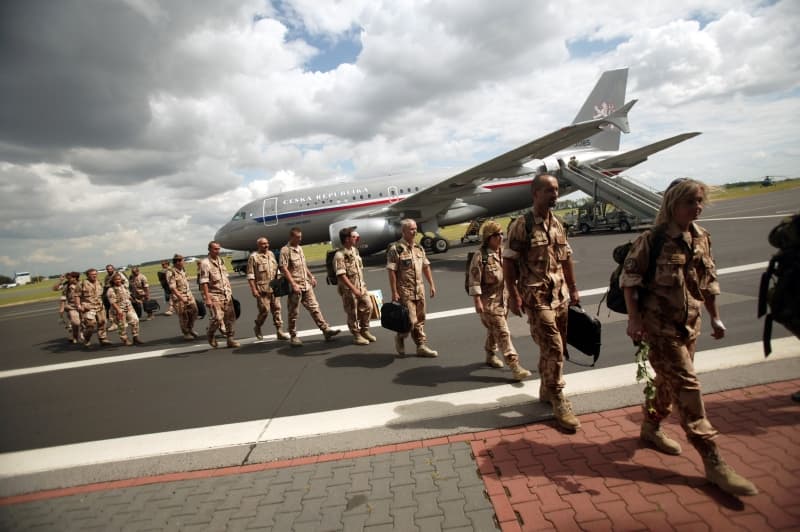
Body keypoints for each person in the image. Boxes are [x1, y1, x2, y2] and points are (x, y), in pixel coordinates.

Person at [620, 177, 757, 497]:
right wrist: (634, 319)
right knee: (688, 386)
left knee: (668, 385)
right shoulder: (652, 240)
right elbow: (630, 280)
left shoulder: (702, 238)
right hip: (660, 330)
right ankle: (714, 461)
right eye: (690, 202)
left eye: (700, 202)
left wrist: (716, 317)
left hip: (689, 327)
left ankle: (651, 426)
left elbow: (708, 283)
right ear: (673, 204)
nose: (697, 207)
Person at [503, 174, 581, 432]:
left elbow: (566, 257)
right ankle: (558, 397)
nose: (555, 194)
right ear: (535, 193)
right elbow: (509, 261)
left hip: (559, 295)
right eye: (549, 190)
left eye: (556, 190)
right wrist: (513, 294)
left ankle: (546, 388)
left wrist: (573, 288)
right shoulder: (521, 225)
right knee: (555, 348)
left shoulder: (557, 223)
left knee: (552, 347)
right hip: (535, 296)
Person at [468, 220, 531, 380]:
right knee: (503, 333)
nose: (500, 237)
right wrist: (477, 301)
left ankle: (490, 354)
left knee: (494, 330)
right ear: (488, 237)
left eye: (502, 233)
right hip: (489, 303)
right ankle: (515, 366)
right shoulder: (480, 256)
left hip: (503, 300)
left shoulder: (504, 253)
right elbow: (474, 281)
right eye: (496, 234)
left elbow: (513, 276)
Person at [279, 227, 340, 347]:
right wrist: (293, 284)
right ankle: (293, 336)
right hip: (295, 286)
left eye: (301, 237)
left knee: (315, 308)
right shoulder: (285, 250)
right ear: (291, 237)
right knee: (293, 312)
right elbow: (283, 268)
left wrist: (311, 276)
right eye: (298, 237)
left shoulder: (299, 248)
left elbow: (303, 265)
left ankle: (325, 330)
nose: (300, 239)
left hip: (306, 284)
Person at [386, 219, 438, 357]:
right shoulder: (396, 249)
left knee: (420, 319)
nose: (414, 231)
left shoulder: (419, 248)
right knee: (411, 321)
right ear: (403, 231)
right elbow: (391, 271)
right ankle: (400, 336)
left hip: (419, 290)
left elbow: (426, 266)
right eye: (411, 229)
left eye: (415, 228)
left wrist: (431, 284)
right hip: (405, 291)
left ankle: (421, 346)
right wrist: (394, 292)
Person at [334, 227, 375, 346]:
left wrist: (361, 286)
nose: (356, 238)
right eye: (353, 236)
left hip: (361, 287)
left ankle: (365, 330)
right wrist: (353, 289)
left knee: (369, 306)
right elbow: (341, 275)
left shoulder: (355, 251)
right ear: (347, 239)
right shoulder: (340, 255)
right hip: (349, 290)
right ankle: (356, 335)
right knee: (353, 313)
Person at [247, 237, 290, 341]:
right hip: (262, 289)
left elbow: (276, 270)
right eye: (263, 244)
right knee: (264, 311)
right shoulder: (254, 257)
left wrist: (279, 281)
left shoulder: (271, 254)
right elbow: (250, 275)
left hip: (274, 288)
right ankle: (258, 326)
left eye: (267, 243)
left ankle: (279, 331)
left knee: (277, 309)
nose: (266, 245)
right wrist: (254, 289)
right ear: (258, 245)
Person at [198, 241, 239, 348]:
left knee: (230, 318)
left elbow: (225, 277)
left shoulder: (221, 260)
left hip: (226, 293)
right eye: (215, 249)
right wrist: (207, 298)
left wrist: (230, 290)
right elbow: (204, 282)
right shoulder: (205, 263)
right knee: (217, 317)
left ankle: (230, 339)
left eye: (218, 249)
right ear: (209, 250)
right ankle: (210, 334)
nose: (217, 251)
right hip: (214, 294)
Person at [75, 268, 112, 348]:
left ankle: (103, 339)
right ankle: (86, 339)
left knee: (102, 322)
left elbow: (102, 294)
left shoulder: (99, 282)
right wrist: (78, 306)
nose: (94, 276)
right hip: (88, 307)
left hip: (99, 306)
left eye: (95, 274)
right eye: (92, 274)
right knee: (91, 325)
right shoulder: (81, 283)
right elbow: (77, 295)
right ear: (87, 275)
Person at [167, 254, 200, 341]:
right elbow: (173, 288)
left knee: (194, 312)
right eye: (183, 261)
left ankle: (190, 328)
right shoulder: (171, 272)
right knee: (183, 315)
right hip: (179, 298)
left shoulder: (182, 270)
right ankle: (186, 333)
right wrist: (181, 298)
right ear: (177, 262)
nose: (184, 262)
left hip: (189, 296)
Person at [106, 272, 143, 346]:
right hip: (119, 309)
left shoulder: (123, 286)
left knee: (135, 320)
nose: (118, 281)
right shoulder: (111, 290)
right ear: (113, 281)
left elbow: (127, 295)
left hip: (128, 307)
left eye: (119, 279)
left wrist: (135, 300)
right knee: (122, 325)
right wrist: (118, 310)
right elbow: (112, 302)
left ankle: (135, 337)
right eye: (116, 279)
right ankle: (124, 339)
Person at [56, 272, 82, 344]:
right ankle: (75, 336)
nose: (68, 279)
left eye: (70, 278)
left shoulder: (82, 283)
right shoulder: (65, 285)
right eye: (68, 278)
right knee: (76, 322)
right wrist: (60, 281)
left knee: (84, 322)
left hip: (82, 305)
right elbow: (55, 289)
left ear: (75, 278)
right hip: (71, 306)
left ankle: (76, 336)